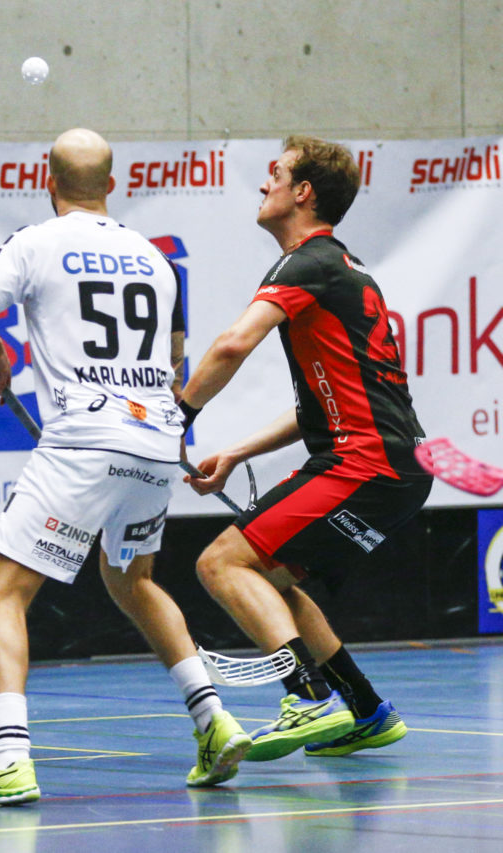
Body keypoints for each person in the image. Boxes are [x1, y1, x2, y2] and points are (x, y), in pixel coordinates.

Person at [0, 128, 250, 807]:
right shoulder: (155, 259)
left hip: (84, 439)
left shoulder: (34, 242)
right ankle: (214, 719)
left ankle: (9, 759)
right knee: (132, 578)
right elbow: (175, 361)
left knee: (0, 593)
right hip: (155, 436)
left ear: (47, 183)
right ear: (112, 184)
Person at [178, 135, 428, 761]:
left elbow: (233, 344)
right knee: (271, 580)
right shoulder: (340, 268)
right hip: (392, 466)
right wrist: (237, 452)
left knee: (221, 564)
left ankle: (308, 697)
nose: (265, 185)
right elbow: (318, 404)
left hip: (364, 462)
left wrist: (177, 415)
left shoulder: (307, 262)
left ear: (304, 193)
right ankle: (366, 710)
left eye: (277, 174)